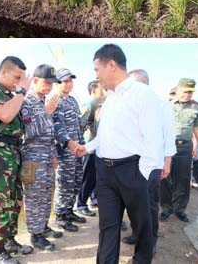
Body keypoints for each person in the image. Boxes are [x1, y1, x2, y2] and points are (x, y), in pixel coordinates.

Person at [78, 44, 161, 264]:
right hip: (105, 173)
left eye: (97, 69)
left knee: (141, 225)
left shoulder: (143, 94)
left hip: (132, 170)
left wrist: (141, 175)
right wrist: (86, 148)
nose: (95, 75)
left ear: (112, 65)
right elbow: (105, 135)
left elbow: (154, 141)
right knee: (107, 227)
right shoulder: (110, 98)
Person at [0, 56, 33, 264]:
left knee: (13, 200)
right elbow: (6, 116)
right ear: (3, 73)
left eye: (22, 79)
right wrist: (20, 93)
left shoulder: (9, 94)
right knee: (0, 203)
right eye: (17, 77)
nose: (19, 83)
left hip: (13, 155)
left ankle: (9, 241)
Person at [121, 69, 175, 254]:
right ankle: (137, 233)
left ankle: (150, 241)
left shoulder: (161, 105)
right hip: (129, 163)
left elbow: (169, 136)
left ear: (143, 84)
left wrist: (167, 161)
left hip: (152, 164)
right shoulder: (127, 104)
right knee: (132, 202)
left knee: (150, 204)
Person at [20, 65, 63, 252]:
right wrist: (46, 112)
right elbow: (29, 132)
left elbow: (50, 132)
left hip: (46, 157)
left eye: (52, 84)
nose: (50, 87)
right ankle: (35, 235)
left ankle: (43, 226)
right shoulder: (26, 101)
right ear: (35, 80)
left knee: (46, 193)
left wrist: (54, 155)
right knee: (33, 196)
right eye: (46, 82)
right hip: (31, 159)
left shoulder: (44, 101)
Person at [160, 78, 198, 223]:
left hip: (184, 147)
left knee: (183, 179)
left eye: (191, 92)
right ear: (178, 90)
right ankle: (166, 208)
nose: (188, 94)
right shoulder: (166, 105)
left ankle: (179, 209)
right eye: (186, 91)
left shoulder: (196, 108)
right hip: (167, 146)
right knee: (165, 178)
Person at [52, 68, 87, 232]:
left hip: (77, 149)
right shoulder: (55, 101)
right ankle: (60, 216)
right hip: (65, 150)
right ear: (57, 83)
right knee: (64, 184)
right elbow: (58, 127)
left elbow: (77, 126)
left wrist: (82, 144)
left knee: (76, 181)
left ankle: (69, 211)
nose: (69, 84)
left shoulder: (72, 101)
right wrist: (70, 143)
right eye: (65, 81)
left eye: (71, 80)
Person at [75, 80, 105, 217]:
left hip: (96, 147)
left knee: (94, 176)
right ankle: (81, 204)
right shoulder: (88, 105)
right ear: (93, 91)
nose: (104, 92)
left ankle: (93, 199)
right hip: (88, 145)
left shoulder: (102, 104)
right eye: (101, 90)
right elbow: (82, 124)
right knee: (87, 176)